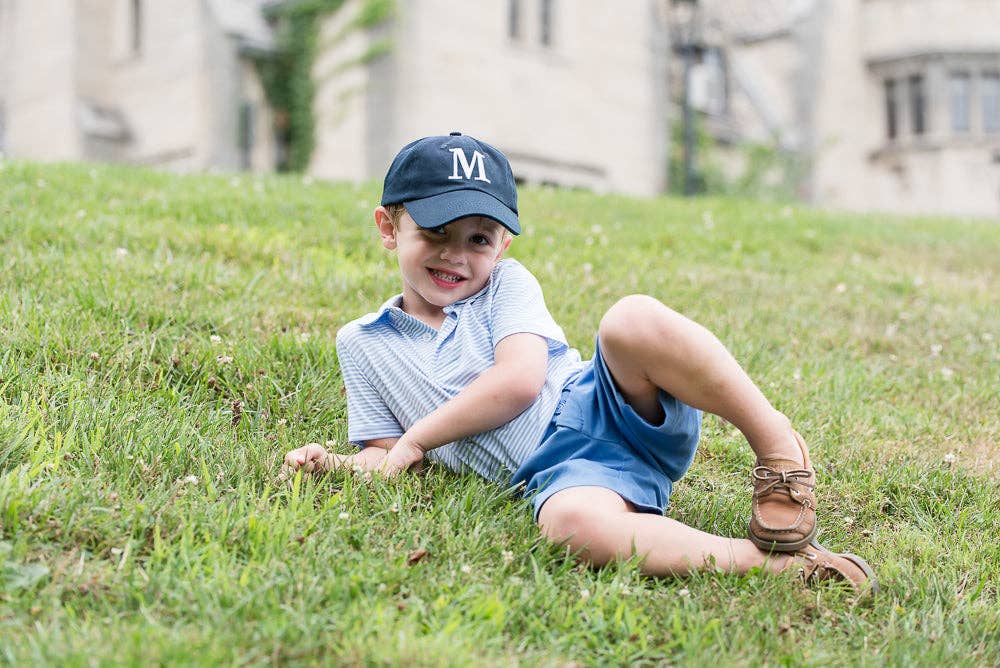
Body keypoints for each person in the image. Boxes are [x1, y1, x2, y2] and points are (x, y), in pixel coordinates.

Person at [283, 132, 877, 592]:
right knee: (568, 528)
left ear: (503, 245)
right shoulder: (360, 343)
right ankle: (769, 565)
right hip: (559, 473)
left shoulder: (505, 286)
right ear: (389, 227)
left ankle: (777, 445)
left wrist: (416, 441)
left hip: (603, 403)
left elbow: (520, 381)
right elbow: (387, 455)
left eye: (479, 239)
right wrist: (338, 464)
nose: (456, 256)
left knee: (629, 319)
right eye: (436, 231)